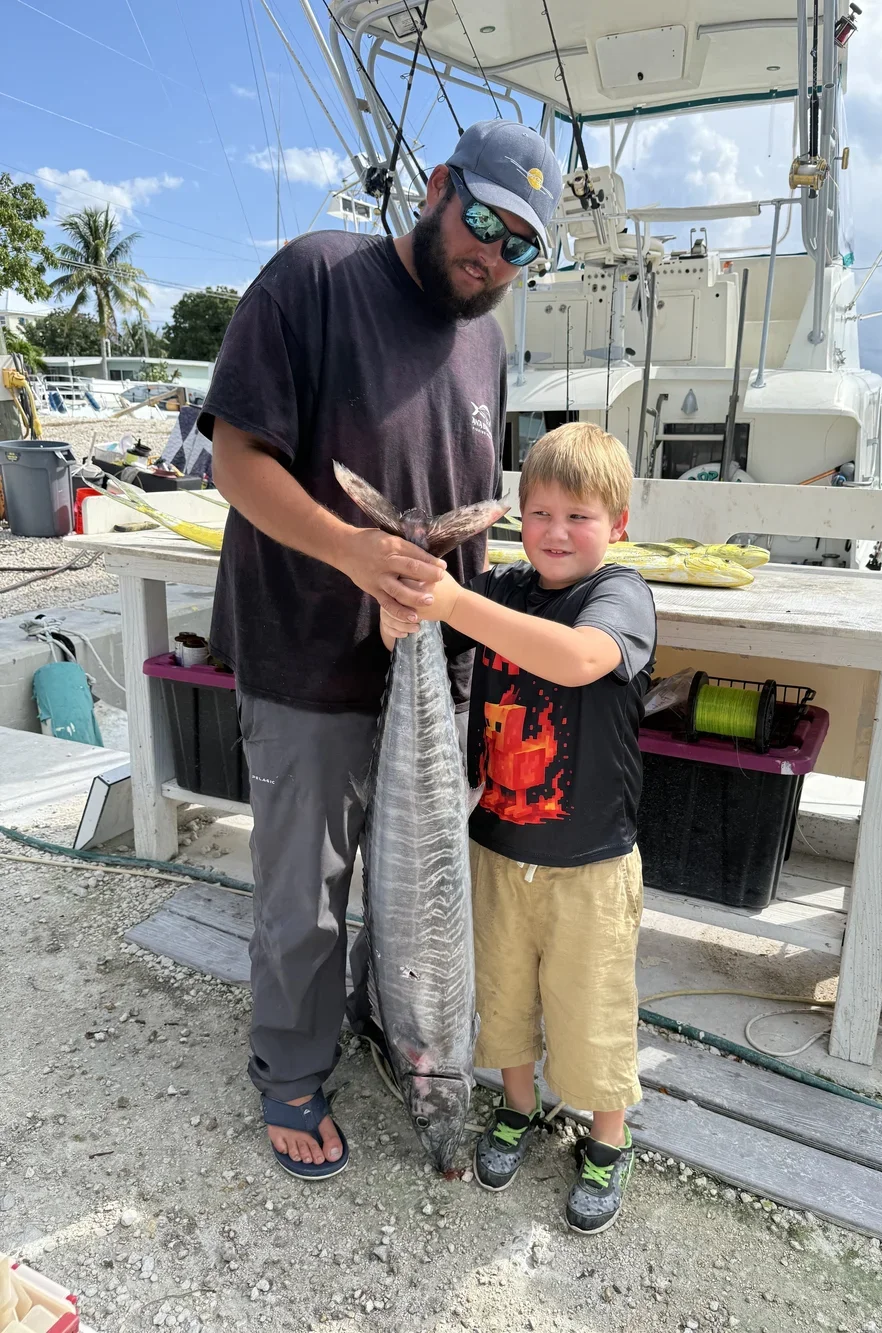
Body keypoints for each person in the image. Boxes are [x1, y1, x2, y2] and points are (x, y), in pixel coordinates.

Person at [196, 120, 561, 1180]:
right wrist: (354, 549)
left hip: (424, 666)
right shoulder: (315, 275)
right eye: (483, 221)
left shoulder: (486, 336)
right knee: (304, 885)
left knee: (412, 884)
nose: (491, 255)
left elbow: (469, 515)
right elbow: (233, 459)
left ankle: (374, 1018)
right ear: (439, 188)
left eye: (519, 247)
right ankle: (292, 1071)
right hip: (306, 649)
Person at [380, 422, 657, 1233]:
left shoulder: (620, 596)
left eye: (580, 515)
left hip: (592, 867)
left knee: (590, 1008)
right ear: (516, 520)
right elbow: (424, 619)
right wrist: (403, 614)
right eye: (539, 513)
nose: (558, 532)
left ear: (619, 525)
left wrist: (453, 599)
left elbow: (577, 659)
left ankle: (608, 1142)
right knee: (499, 1000)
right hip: (494, 852)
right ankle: (516, 1107)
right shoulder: (501, 589)